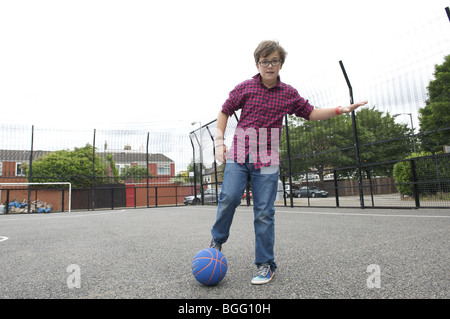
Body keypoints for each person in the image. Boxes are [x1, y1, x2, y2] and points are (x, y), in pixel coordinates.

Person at [210, 40, 368, 285]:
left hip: (268, 156)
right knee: (229, 197)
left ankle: (265, 264)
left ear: (281, 64)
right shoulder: (245, 87)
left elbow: (311, 113)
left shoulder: (288, 93)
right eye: (265, 61)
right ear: (257, 64)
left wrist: (340, 109)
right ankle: (216, 242)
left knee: (264, 212)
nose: (269, 65)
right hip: (240, 150)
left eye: (274, 61)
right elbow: (225, 111)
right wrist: (219, 141)